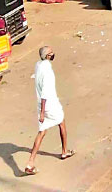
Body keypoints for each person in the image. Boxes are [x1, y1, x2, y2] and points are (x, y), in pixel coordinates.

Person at [24, 46, 73, 175]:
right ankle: (64, 151)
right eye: (51, 53)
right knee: (61, 123)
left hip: (41, 104)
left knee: (42, 131)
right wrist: (42, 113)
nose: (53, 54)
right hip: (49, 104)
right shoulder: (48, 73)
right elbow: (45, 93)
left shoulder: (38, 65)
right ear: (47, 56)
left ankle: (30, 163)